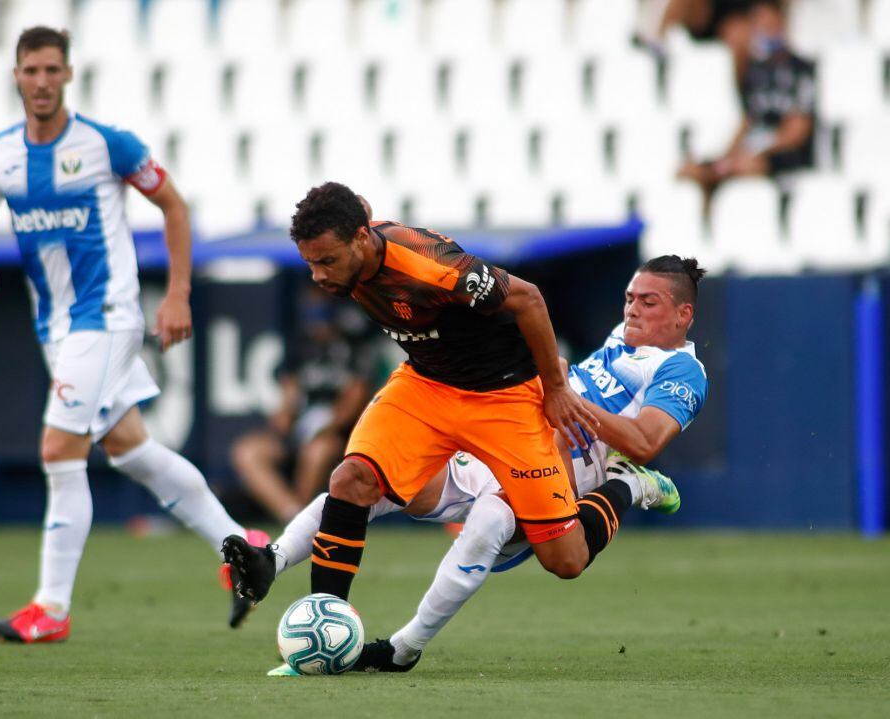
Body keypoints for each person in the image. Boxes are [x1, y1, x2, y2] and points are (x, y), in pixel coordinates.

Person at [0, 26, 265, 643]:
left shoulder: (106, 145)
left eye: (51, 70)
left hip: (106, 316)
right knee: (129, 449)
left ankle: (51, 608)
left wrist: (177, 294)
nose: (41, 81)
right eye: (30, 71)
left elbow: (174, 207)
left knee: (57, 452)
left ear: (67, 75)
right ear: (16, 77)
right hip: (57, 326)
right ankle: (244, 546)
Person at [260, 255, 709, 675]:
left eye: (649, 302)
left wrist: (565, 394)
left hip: (562, 459)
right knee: (368, 483)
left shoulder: (684, 371)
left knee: (498, 520)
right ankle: (273, 559)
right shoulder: (623, 337)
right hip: (507, 431)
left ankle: (404, 648)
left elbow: (646, 439)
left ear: (683, 315)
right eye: (630, 298)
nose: (633, 309)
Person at [226, 181, 642, 611]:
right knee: (351, 480)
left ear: (361, 238)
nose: (319, 275)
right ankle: (326, 618)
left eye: (328, 261)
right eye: (310, 264)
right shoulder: (354, 236)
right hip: (426, 386)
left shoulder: (429, 267)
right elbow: (360, 206)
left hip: (504, 397)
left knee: (566, 559)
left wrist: (554, 389)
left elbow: (528, 298)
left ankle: (629, 483)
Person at [230, 287, 372, 523]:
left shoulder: (352, 347)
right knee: (248, 451)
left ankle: (304, 521)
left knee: (316, 452)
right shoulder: (300, 347)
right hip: (300, 429)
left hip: (336, 434)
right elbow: (289, 395)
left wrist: (326, 426)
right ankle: (291, 513)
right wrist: (285, 418)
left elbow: (354, 398)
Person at [677, 0, 814, 211]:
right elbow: (748, 120)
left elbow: (797, 131)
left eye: (769, 22)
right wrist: (727, 157)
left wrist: (757, 151)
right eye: (759, 23)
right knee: (692, 170)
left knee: (747, 167)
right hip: (753, 150)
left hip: (785, 155)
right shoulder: (754, 72)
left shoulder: (800, 70)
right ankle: (705, 228)